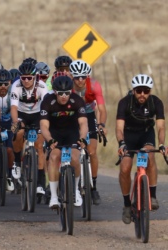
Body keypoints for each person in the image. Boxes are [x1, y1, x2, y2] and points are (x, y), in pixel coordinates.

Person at [116, 74, 167, 224]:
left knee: (150, 156)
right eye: (139, 91)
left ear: (150, 91)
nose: (142, 94)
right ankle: (126, 205)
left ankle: (152, 196)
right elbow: (119, 128)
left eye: (146, 91)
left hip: (146, 134)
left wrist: (162, 144)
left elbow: (161, 126)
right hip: (129, 136)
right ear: (133, 90)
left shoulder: (156, 102)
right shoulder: (124, 102)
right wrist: (121, 143)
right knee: (125, 168)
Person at [40, 75, 88, 208]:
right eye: (60, 93)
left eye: (67, 93)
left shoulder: (77, 100)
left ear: (70, 92)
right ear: (55, 92)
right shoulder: (47, 101)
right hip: (54, 134)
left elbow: (83, 123)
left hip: (72, 133)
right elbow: (44, 126)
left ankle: (76, 190)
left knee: (74, 158)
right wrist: (49, 140)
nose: (63, 96)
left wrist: (82, 137)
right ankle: (54, 197)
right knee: (54, 157)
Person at [69, 59, 107, 205]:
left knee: (92, 151)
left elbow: (102, 109)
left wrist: (102, 124)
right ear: (72, 76)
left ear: (87, 76)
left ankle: (94, 187)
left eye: (83, 77)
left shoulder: (95, 85)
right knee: (73, 150)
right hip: (72, 116)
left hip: (90, 115)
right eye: (76, 77)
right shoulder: (68, 86)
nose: (79, 80)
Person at [10, 61, 49, 196]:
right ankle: (17, 162)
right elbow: (14, 108)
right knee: (18, 132)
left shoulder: (42, 86)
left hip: (38, 114)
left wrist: (45, 124)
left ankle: (40, 182)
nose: (26, 81)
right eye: (23, 78)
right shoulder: (16, 86)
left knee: (39, 145)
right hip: (21, 114)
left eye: (29, 78)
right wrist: (16, 122)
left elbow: (46, 108)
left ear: (35, 77)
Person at [0, 68, 15, 192]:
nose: (2, 87)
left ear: (10, 83)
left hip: (8, 123)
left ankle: (9, 175)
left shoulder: (12, 94)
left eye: (5, 84)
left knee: (9, 150)